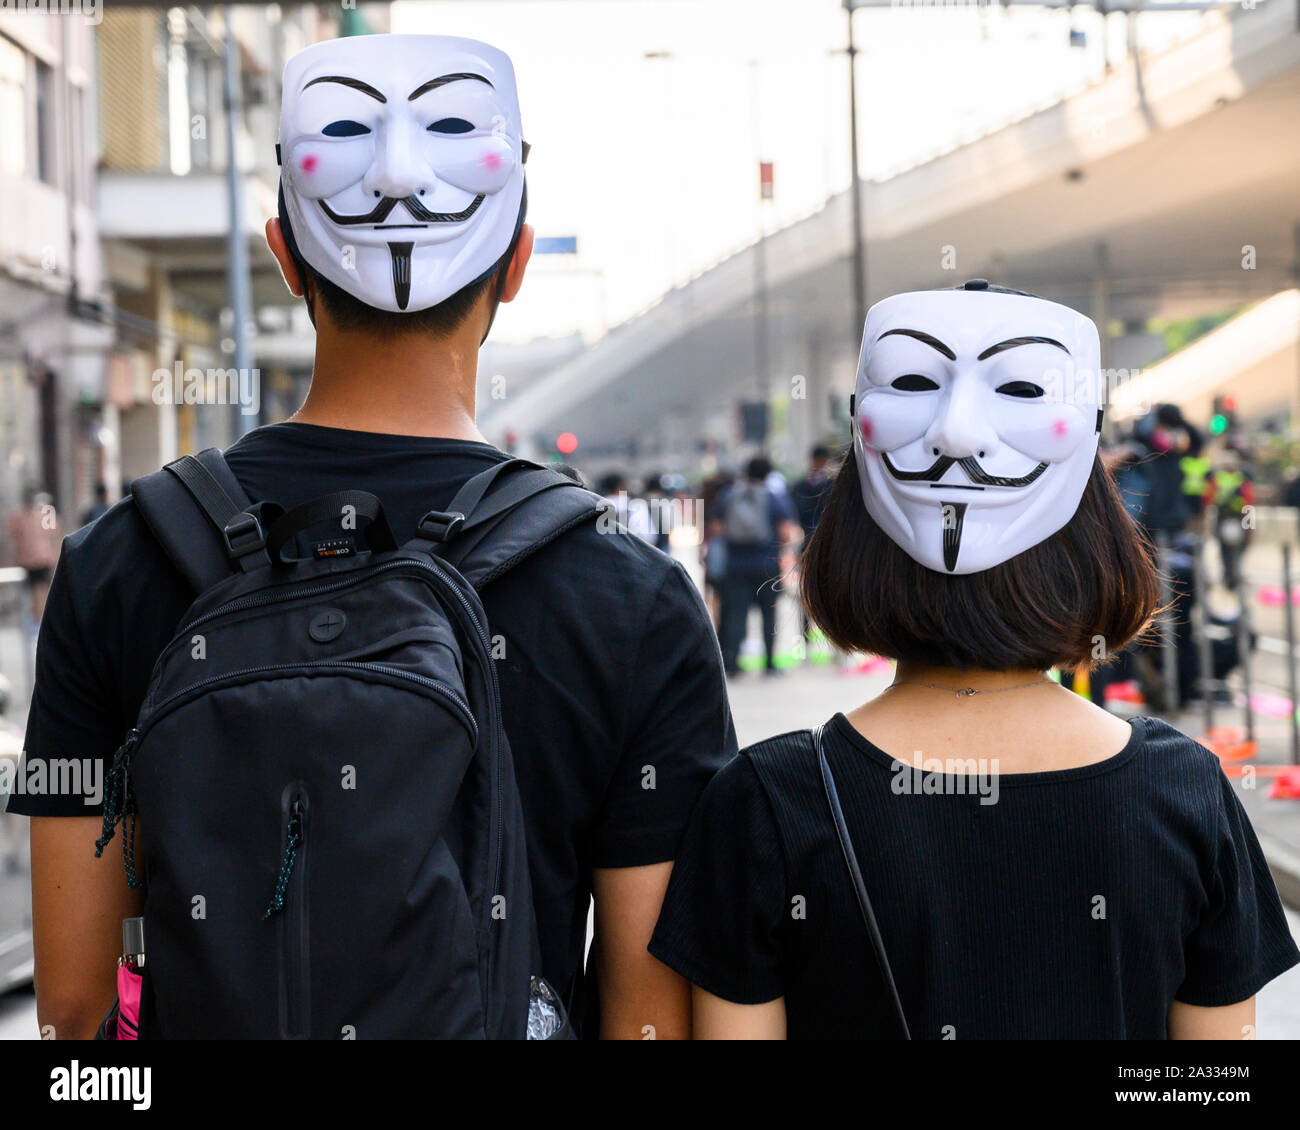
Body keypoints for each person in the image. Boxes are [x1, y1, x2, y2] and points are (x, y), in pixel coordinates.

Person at [13, 33, 734, 1040]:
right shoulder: (634, 599)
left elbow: (76, 1006)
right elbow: (648, 1019)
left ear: (284, 254)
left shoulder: (118, 562)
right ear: (519, 263)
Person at [650, 282, 1298, 1039]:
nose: (956, 431)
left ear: (851, 523)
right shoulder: (1185, 792)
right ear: (1098, 523)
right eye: (920, 382)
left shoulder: (766, 804)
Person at [713, 455, 799, 676]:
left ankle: (732, 663)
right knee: (769, 615)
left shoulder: (728, 496)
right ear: (768, 474)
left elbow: (716, 528)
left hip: (736, 565)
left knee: (735, 614)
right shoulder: (773, 497)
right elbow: (787, 532)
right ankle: (769, 663)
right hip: (767, 565)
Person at [4, 487, 62, 623]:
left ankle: (40, 623)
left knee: (40, 594)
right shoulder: (19, 516)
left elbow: (55, 537)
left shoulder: (44, 514)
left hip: (42, 560)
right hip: (28, 561)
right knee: (30, 596)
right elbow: (12, 538)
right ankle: (36, 623)